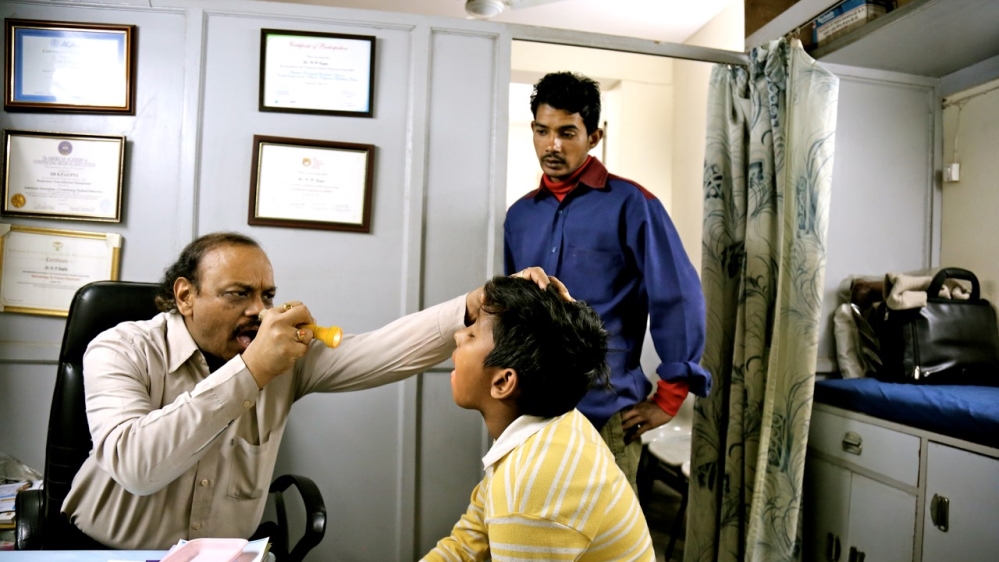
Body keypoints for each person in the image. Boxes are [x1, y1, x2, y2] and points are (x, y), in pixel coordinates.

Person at [62, 231, 566, 550]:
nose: (259, 311)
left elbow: (382, 349)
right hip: (107, 551)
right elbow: (135, 466)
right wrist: (251, 371)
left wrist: (473, 305)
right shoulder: (120, 348)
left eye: (267, 296)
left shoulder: (280, 359)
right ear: (185, 296)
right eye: (239, 294)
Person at [504, 71, 711, 491]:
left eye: (567, 132)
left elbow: (679, 297)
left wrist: (669, 398)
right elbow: (511, 311)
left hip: (606, 417)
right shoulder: (519, 217)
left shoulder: (633, 204)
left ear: (594, 136)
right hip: (530, 415)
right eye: (543, 131)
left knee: (608, 549)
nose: (553, 145)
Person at [422, 275, 655, 562]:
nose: (458, 334)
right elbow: (467, 543)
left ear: (503, 382)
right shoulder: (549, 426)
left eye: (471, 335)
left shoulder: (530, 487)